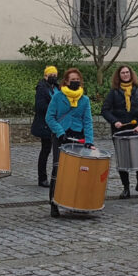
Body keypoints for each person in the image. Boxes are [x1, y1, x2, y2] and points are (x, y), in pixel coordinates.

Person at [45, 67, 95, 217]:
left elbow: (88, 121)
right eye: (72, 80)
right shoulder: (58, 97)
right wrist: (60, 132)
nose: (75, 82)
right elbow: (49, 117)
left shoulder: (84, 100)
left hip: (78, 135)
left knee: (78, 171)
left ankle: (75, 202)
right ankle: (54, 202)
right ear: (66, 81)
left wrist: (89, 140)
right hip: (61, 136)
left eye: (77, 80)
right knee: (58, 169)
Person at [101, 65, 138, 198]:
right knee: (123, 160)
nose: (125, 74)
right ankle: (126, 188)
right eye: (122, 73)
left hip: (136, 129)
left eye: (127, 72)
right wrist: (114, 121)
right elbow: (105, 110)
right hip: (120, 131)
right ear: (119, 76)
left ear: (131, 74)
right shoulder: (114, 92)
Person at [32, 66, 59, 186]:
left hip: (57, 124)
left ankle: (57, 176)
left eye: (55, 75)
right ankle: (42, 178)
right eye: (51, 75)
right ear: (45, 76)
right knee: (46, 150)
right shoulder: (42, 88)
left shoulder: (58, 88)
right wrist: (54, 109)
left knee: (57, 151)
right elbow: (39, 106)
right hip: (45, 124)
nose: (53, 77)